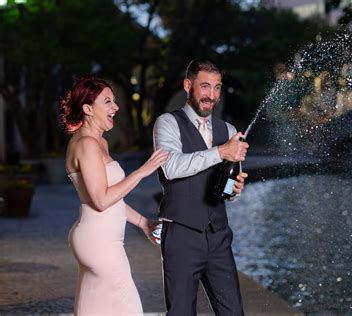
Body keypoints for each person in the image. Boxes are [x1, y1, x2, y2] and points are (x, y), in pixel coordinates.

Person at [60, 77, 168, 316]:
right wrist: (142, 171)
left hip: (98, 238)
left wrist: (144, 223)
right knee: (128, 308)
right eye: (107, 101)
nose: (115, 107)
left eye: (115, 101)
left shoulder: (99, 142)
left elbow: (111, 199)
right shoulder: (86, 144)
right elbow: (101, 200)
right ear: (88, 109)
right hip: (99, 243)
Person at [153, 59, 249, 316]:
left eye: (217, 88)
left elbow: (227, 189)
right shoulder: (167, 123)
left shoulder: (227, 130)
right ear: (188, 85)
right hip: (182, 235)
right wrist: (221, 151)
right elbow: (171, 167)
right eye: (205, 87)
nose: (212, 95)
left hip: (219, 236)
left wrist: (235, 189)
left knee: (233, 312)